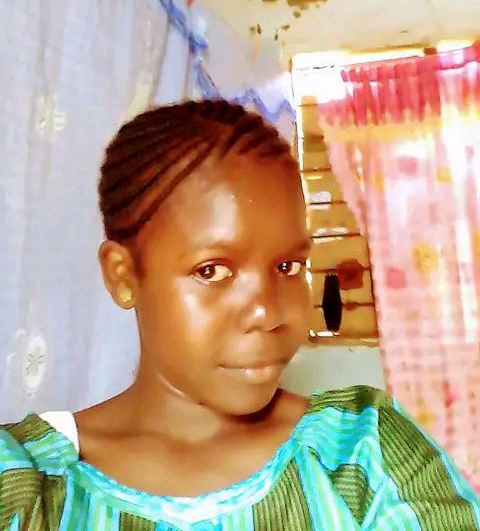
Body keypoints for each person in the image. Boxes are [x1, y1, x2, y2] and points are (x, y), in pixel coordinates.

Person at [1, 100, 479, 530]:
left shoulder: (363, 453)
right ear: (123, 276)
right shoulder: (27, 483)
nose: (267, 313)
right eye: (212, 271)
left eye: (288, 267)